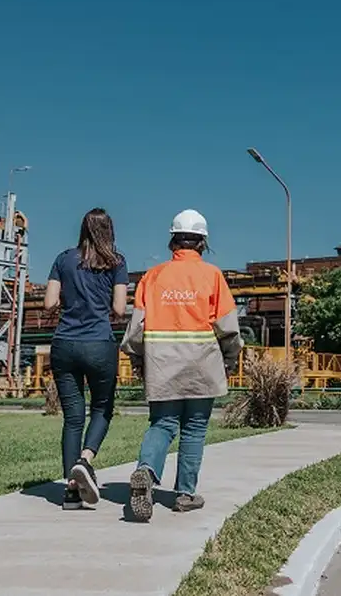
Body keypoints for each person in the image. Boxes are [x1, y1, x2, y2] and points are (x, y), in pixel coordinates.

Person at [120, 209, 243, 521]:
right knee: (195, 428)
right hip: (202, 363)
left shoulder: (153, 277)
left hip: (162, 363)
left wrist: (137, 358)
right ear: (202, 244)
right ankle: (185, 494)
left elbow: (136, 329)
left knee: (162, 424)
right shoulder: (213, 276)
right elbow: (228, 328)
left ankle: (146, 471)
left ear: (172, 242)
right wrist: (229, 359)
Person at [44, 208, 128, 511]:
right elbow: (119, 309)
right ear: (110, 230)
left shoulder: (63, 258)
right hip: (99, 344)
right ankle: (85, 459)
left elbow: (49, 302)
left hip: (64, 344)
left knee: (72, 419)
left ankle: (70, 490)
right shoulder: (116, 262)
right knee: (102, 409)